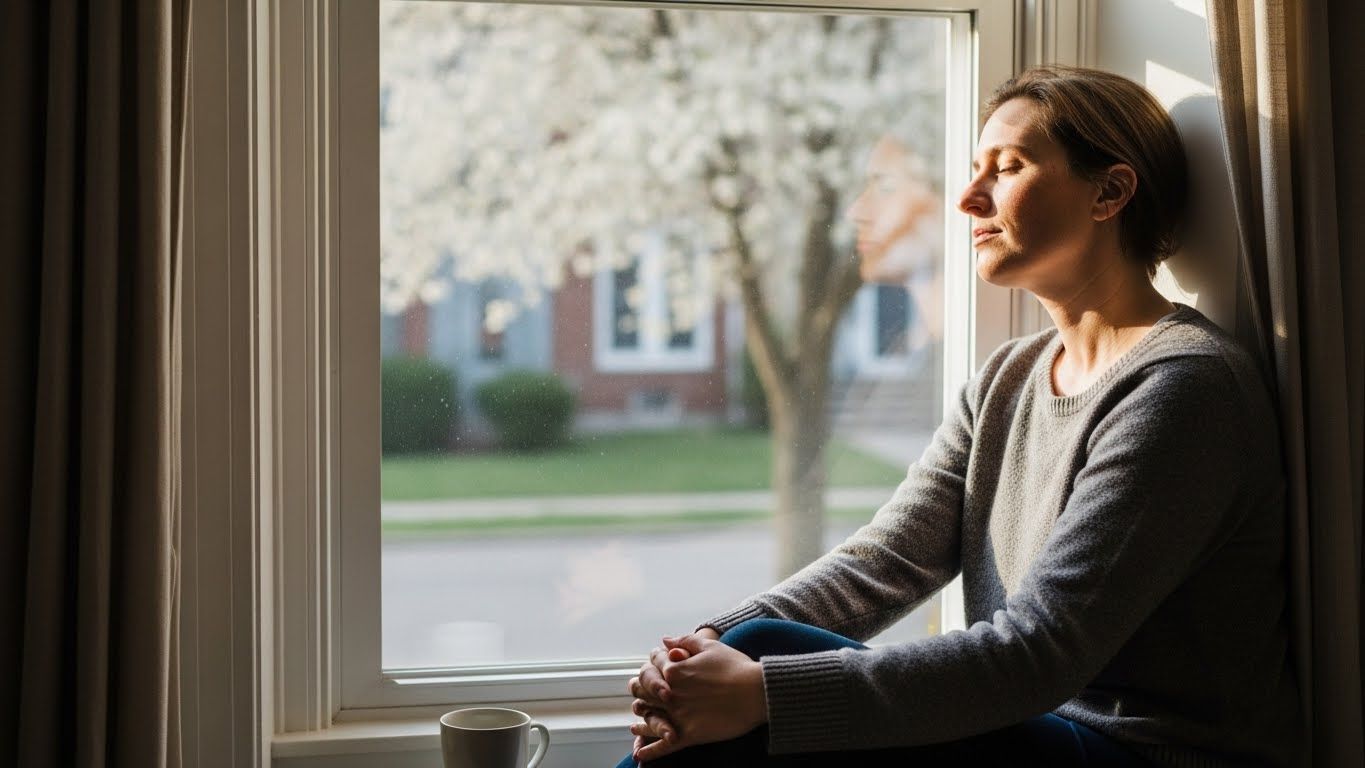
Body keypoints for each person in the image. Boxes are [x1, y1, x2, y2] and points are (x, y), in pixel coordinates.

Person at [614, 66, 1302, 767]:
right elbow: (886, 561)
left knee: (766, 659)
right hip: (1038, 728)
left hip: (1140, 752)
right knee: (747, 650)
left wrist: (764, 691)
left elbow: (1038, 653)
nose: (968, 199)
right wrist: (697, 648)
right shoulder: (1007, 378)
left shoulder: (1182, 387)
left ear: (1110, 192)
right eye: (975, 170)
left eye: (1006, 169)